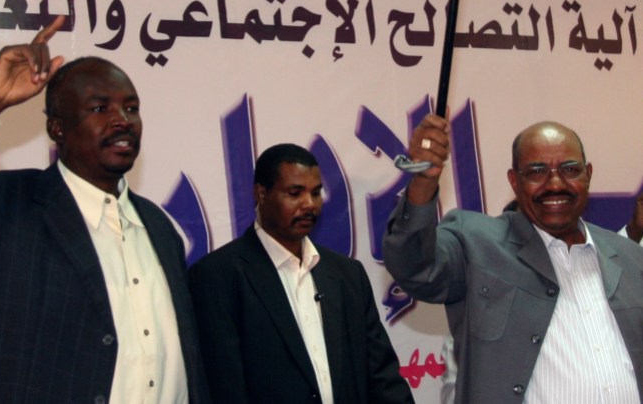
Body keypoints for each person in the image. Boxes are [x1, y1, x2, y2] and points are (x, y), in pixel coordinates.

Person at [0, 16, 209, 404]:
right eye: (99, 108)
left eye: (131, 108)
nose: (121, 120)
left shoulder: (158, 226)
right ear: (57, 129)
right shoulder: (5, 203)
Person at [383, 114, 643, 403]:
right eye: (536, 171)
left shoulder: (632, 258)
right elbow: (415, 266)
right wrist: (423, 181)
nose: (555, 183)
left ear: (588, 174)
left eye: (570, 169)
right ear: (514, 181)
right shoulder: (476, 243)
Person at [189, 143, 414, 404]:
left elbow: (382, 376)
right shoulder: (218, 276)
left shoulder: (347, 274)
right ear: (261, 194)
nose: (309, 205)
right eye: (295, 193)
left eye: (316, 193)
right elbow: (225, 388)